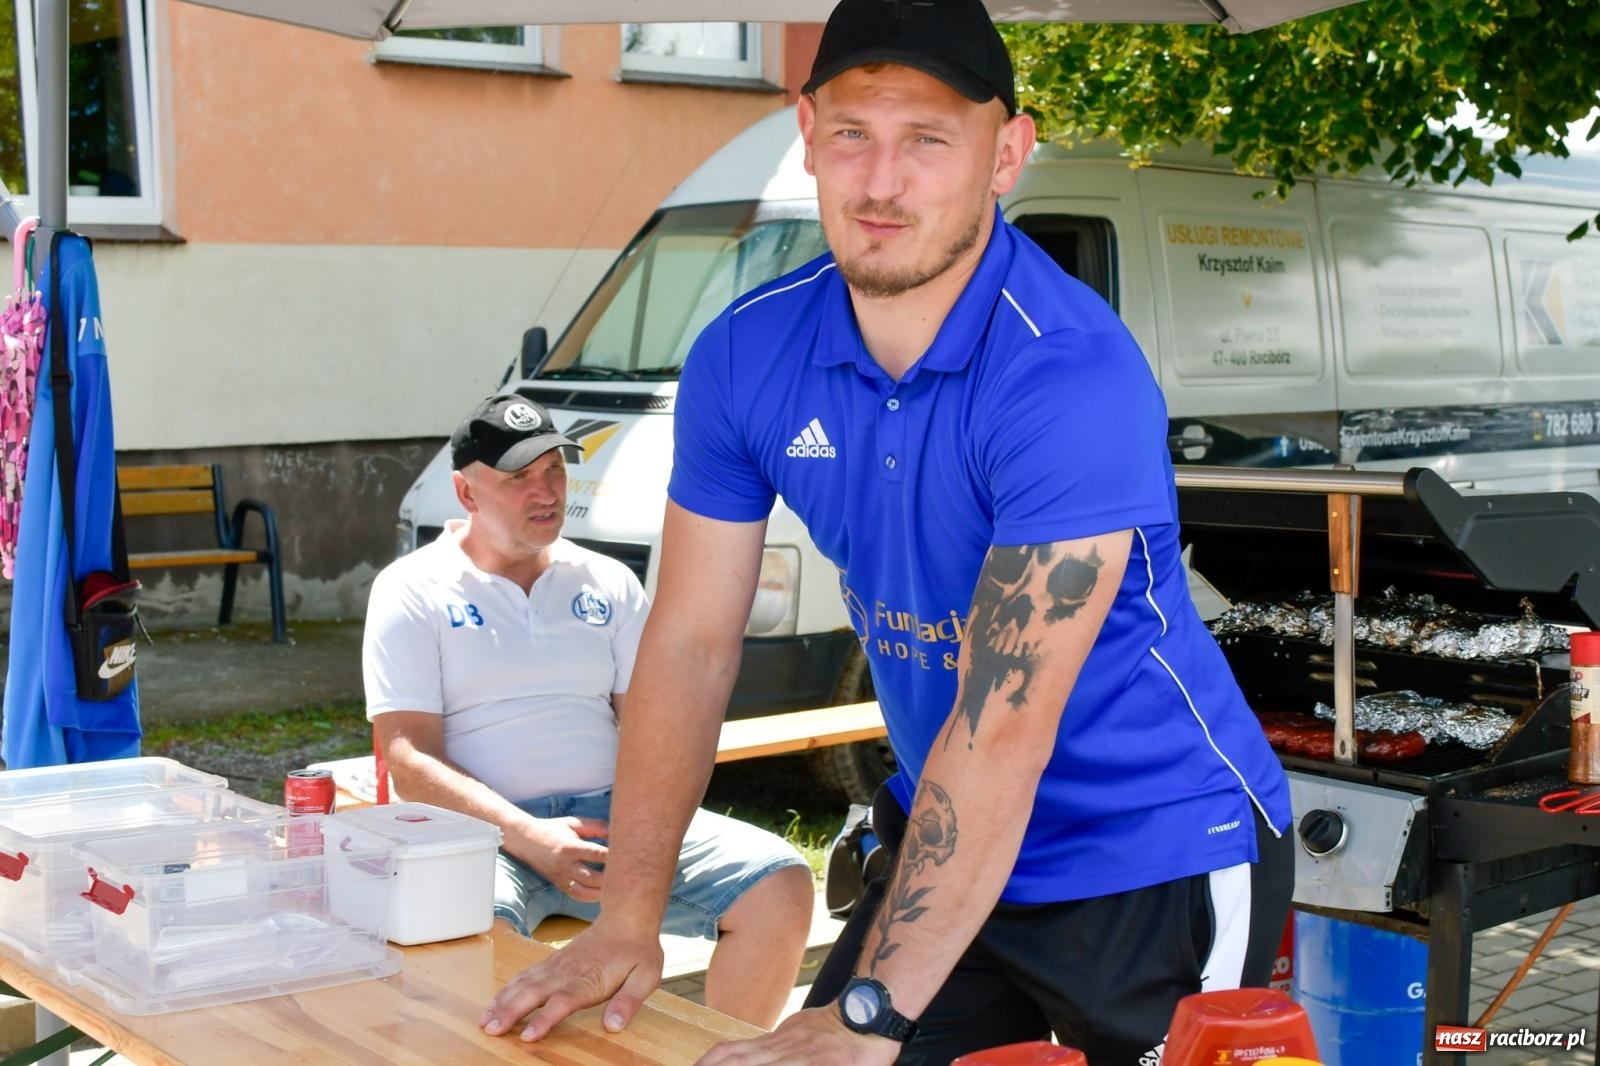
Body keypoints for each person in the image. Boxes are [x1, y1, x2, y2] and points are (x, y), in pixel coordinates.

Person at [481, 0, 1295, 1060]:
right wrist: (631, 917)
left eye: (928, 140)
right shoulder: (746, 353)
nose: (880, 181)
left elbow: (1001, 725)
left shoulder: (1067, 375)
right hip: (942, 843)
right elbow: (687, 644)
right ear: (807, 131)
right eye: (854, 134)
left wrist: (871, 1014)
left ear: (1006, 153)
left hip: (1151, 849)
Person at [362, 388, 815, 1029]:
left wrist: (639, 832)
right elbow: (406, 756)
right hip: (483, 837)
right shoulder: (411, 587)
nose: (547, 492)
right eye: (520, 478)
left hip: (613, 818)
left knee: (783, 886)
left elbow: (653, 722)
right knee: (468, 940)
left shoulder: (606, 580)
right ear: (467, 494)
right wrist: (532, 838)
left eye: (554, 468)